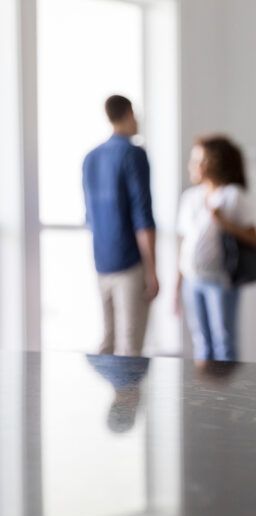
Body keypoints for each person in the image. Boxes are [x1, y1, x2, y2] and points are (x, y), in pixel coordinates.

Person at [82, 95, 158, 356]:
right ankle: (127, 386)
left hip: (102, 260)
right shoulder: (134, 154)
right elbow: (142, 217)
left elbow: (89, 218)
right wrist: (152, 270)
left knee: (108, 340)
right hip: (130, 261)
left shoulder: (90, 158)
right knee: (130, 347)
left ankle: (106, 385)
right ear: (128, 113)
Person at [175, 135, 256, 362]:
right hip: (192, 280)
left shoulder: (233, 196)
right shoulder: (190, 198)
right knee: (201, 343)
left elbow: (254, 239)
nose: (192, 166)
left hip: (221, 280)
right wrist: (177, 286)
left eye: (198, 161)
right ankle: (207, 385)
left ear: (213, 163)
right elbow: (183, 245)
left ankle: (228, 386)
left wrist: (224, 222)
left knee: (224, 343)